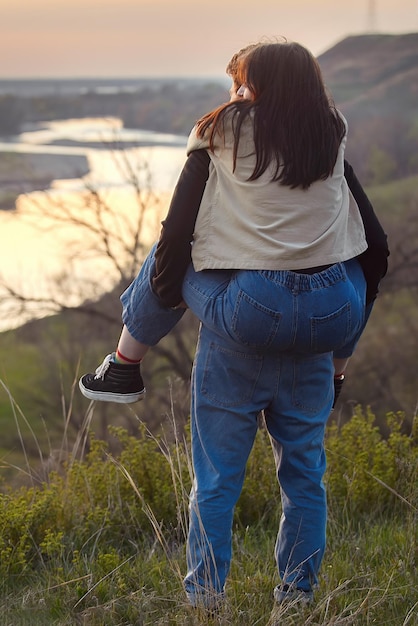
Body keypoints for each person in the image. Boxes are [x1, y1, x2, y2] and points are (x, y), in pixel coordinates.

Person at [79, 40, 388, 609]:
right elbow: (377, 250)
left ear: (256, 89)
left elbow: (176, 236)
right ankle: (295, 601)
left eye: (241, 85)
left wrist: (169, 291)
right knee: (305, 479)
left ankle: (123, 366)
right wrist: (338, 363)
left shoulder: (220, 130)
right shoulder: (330, 131)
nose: (234, 95)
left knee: (218, 478)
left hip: (251, 318)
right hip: (328, 318)